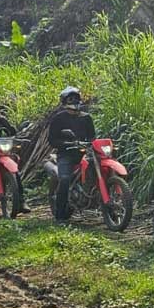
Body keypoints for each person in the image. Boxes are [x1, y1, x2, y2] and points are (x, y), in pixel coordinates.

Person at [48, 86, 96, 221]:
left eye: (76, 98)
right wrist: (65, 144)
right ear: (65, 102)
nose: (74, 101)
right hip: (66, 154)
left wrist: (93, 145)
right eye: (71, 99)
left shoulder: (86, 118)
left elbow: (92, 137)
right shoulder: (59, 118)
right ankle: (60, 215)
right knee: (64, 179)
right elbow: (52, 140)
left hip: (84, 153)